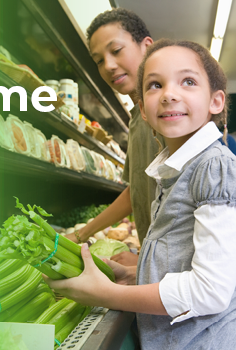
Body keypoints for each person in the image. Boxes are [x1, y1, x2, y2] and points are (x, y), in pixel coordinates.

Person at [45, 39, 236, 349]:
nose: (169, 94)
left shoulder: (213, 167)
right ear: (144, 111)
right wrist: (136, 274)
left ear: (216, 101)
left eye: (188, 81)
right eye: (154, 85)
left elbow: (210, 291)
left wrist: (105, 294)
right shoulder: (176, 169)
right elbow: (185, 256)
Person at [65, 9, 161, 266]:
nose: (108, 65)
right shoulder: (136, 119)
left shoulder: (168, 114)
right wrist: (80, 234)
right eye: (98, 60)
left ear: (146, 47)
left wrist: (147, 263)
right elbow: (137, 191)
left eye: (116, 50)